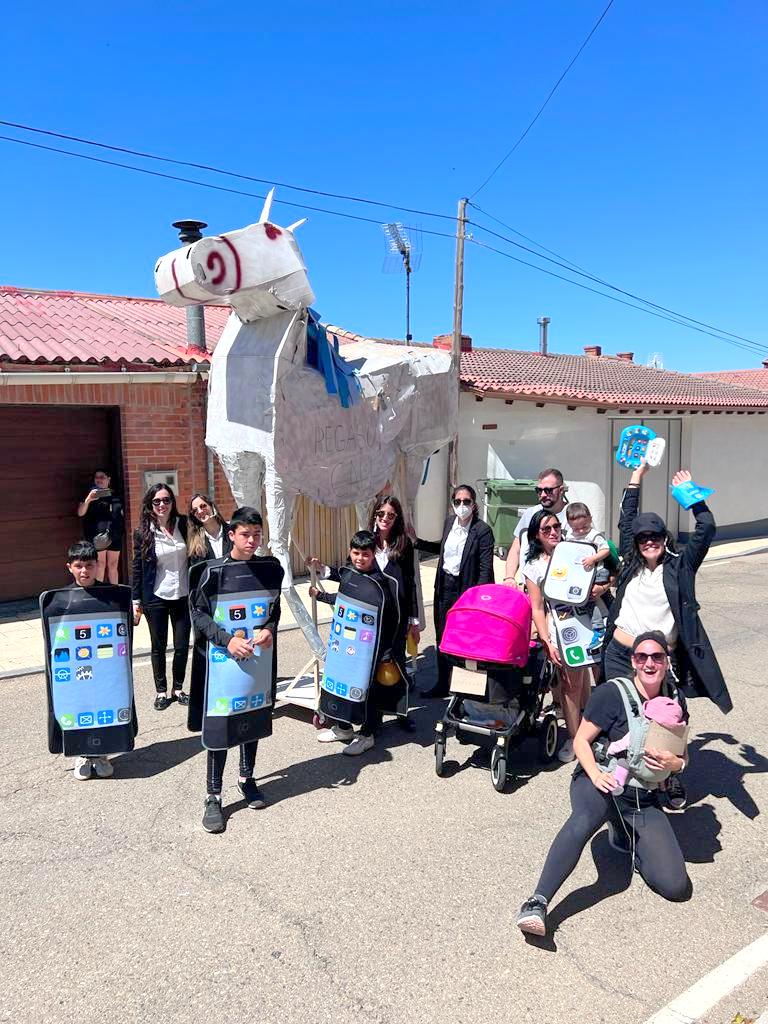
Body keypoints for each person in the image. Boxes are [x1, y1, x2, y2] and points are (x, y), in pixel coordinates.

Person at [517, 632, 690, 937]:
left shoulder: (675, 699)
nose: (649, 663)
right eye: (641, 657)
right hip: (599, 780)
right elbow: (582, 740)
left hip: (642, 795)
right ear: (633, 662)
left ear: (666, 662)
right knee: (585, 818)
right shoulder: (612, 693)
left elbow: (682, 754)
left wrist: (677, 765)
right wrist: (596, 775)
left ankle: (625, 833)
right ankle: (537, 902)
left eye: (657, 657)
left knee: (675, 886)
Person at [602, 464, 732, 806]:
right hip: (620, 653)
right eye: (643, 537)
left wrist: (690, 494)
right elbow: (626, 520)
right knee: (625, 716)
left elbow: (706, 529)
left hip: (660, 659)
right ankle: (624, 777)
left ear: (665, 539)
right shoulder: (630, 562)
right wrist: (636, 477)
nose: (649, 542)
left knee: (670, 717)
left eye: (655, 537)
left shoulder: (680, 566)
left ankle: (668, 777)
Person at [188, 507, 283, 833]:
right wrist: (227, 641)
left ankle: (247, 779)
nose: (252, 540)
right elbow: (198, 615)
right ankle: (213, 796)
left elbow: (274, 608)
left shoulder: (269, 570)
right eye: (245, 534)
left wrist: (270, 628)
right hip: (222, 668)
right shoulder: (213, 572)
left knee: (252, 721)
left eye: (257, 534)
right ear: (231, 535)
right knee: (220, 731)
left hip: (257, 664)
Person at [43, 540, 138, 781]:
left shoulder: (113, 596)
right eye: (79, 566)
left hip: (105, 669)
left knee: (103, 702)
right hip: (76, 672)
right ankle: (83, 754)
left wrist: (134, 615)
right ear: (69, 567)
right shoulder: (60, 600)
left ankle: (102, 754)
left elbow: (127, 626)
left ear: (97, 565)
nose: (84, 570)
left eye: (89, 565)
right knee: (80, 706)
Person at [309, 530, 407, 755]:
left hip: (368, 655)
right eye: (356, 553)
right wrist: (320, 593)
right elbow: (342, 595)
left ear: (374, 555)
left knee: (367, 693)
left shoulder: (381, 585)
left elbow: (392, 621)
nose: (359, 558)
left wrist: (386, 652)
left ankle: (367, 734)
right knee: (338, 689)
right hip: (342, 648)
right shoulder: (350, 573)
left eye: (365, 554)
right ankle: (343, 728)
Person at [522, 510, 593, 762]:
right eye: (546, 529)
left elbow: (605, 574)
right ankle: (577, 741)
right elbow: (537, 608)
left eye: (555, 527)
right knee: (569, 687)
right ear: (536, 536)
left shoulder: (576, 552)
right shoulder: (534, 567)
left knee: (581, 682)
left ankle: (587, 733)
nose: (553, 532)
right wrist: (547, 641)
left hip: (587, 627)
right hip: (559, 634)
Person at [416, 484, 495, 698]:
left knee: (467, 639)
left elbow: (485, 568)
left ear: (474, 504)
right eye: (458, 501)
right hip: (444, 587)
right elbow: (442, 549)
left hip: (466, 590)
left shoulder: (482, 530)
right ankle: (442, 683)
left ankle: (468, 689)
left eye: (466, 501)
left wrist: (477, 600)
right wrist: (417, 541)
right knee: (443, 637)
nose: (462, 505)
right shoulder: (449, 523)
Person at [131, 483, 191, 710]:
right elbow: (137, 567)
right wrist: (136, 600)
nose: (162, 505)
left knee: (182, 645)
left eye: (166, 500)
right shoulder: (143, 532)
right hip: (155, 596)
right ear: (150, 504)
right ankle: (161, 691)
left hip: (183, 594)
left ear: (172, 502)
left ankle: (178, 688)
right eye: (157, 501)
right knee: (158, 646)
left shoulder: (184, 524)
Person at [504, 468, 568, 586]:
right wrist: (509, 577)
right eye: (539, 490)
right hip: (530, 587)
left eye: (548, 490)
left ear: (561, 490)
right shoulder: (530, 514)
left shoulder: (574, 515)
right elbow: (516, 549)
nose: (543, 495)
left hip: (560, 587)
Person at [77, 468, 124, 584]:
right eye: (96, 477)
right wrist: (88, 500)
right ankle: (101, 594)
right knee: (100, 565)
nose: (98, 480)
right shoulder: (90, 494)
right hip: (97, 535)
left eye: (102, 477)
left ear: (108, 479)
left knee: (113, 565)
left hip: (114, 534)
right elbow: (80, 513)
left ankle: (115, 593)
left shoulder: (115, 494)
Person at [187, 492, 232, 565]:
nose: (200, 511)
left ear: (212, 506)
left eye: (203, 506)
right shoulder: (194, 543)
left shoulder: (232, 531)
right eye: (195, 510)